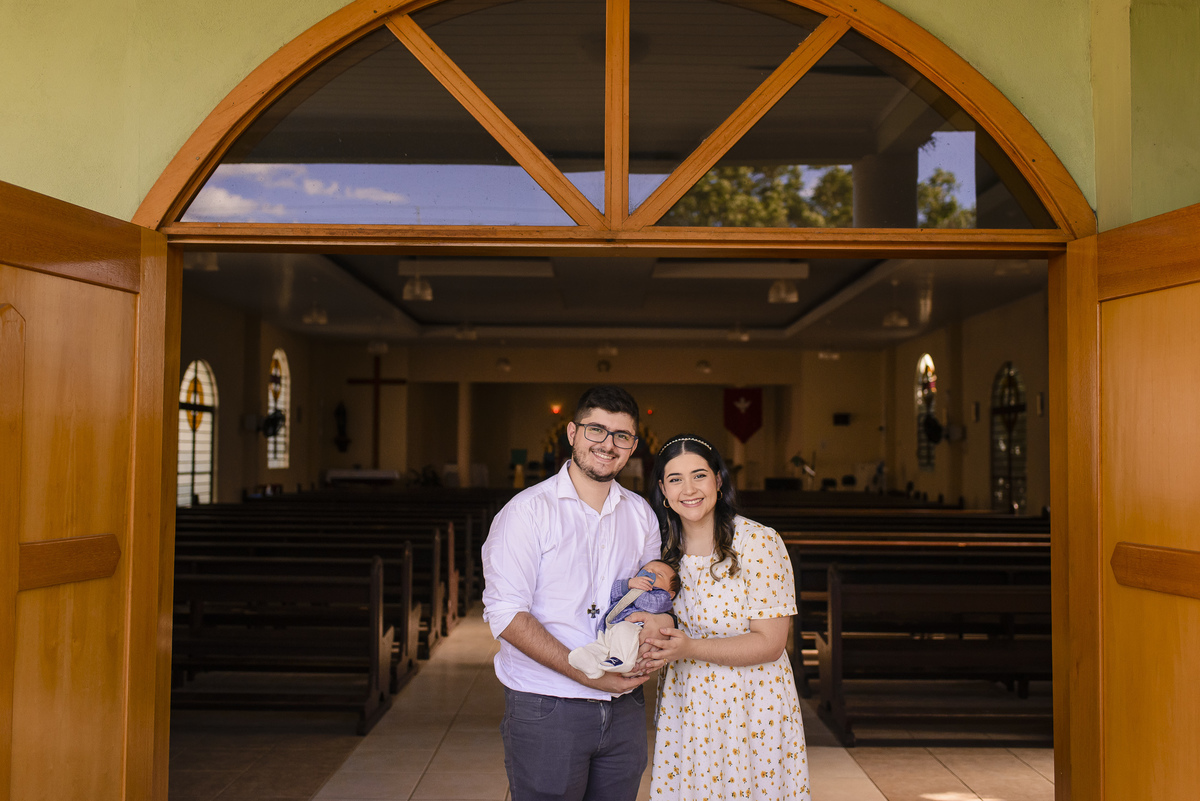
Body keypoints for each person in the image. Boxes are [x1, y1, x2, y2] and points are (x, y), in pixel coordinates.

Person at [482, 385, 674, 801]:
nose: (607, 445)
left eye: (621, 436)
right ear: (572, 433)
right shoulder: (527, 512)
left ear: (633, 447)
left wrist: (655, 641)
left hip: (624, 706)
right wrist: (592, 676)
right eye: (595, 431)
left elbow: (650, 601)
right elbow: (507, 617)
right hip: (548, 704)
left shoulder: (641, 514)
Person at [645, 434, 811, 801]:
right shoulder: (661, 549)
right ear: (662, 489)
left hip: (752, 703)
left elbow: (770, 643)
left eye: (699, 475)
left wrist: (689, 646)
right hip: (688, 700)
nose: (689, 489)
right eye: (675, 479)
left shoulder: (758, 542)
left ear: (718, 481)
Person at [568, 560, 679, 679]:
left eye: (659, 575)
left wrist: (636, 591)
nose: (650, 572)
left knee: (624, 631)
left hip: (633, 628)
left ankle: (622, 660)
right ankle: (591, 663)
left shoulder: (661, 596)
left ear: (670, 594)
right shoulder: (630, 586)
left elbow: (653, 605)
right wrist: (628, 584)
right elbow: (614, 593)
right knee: (600, 646)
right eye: (645, 570)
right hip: (609, 627)